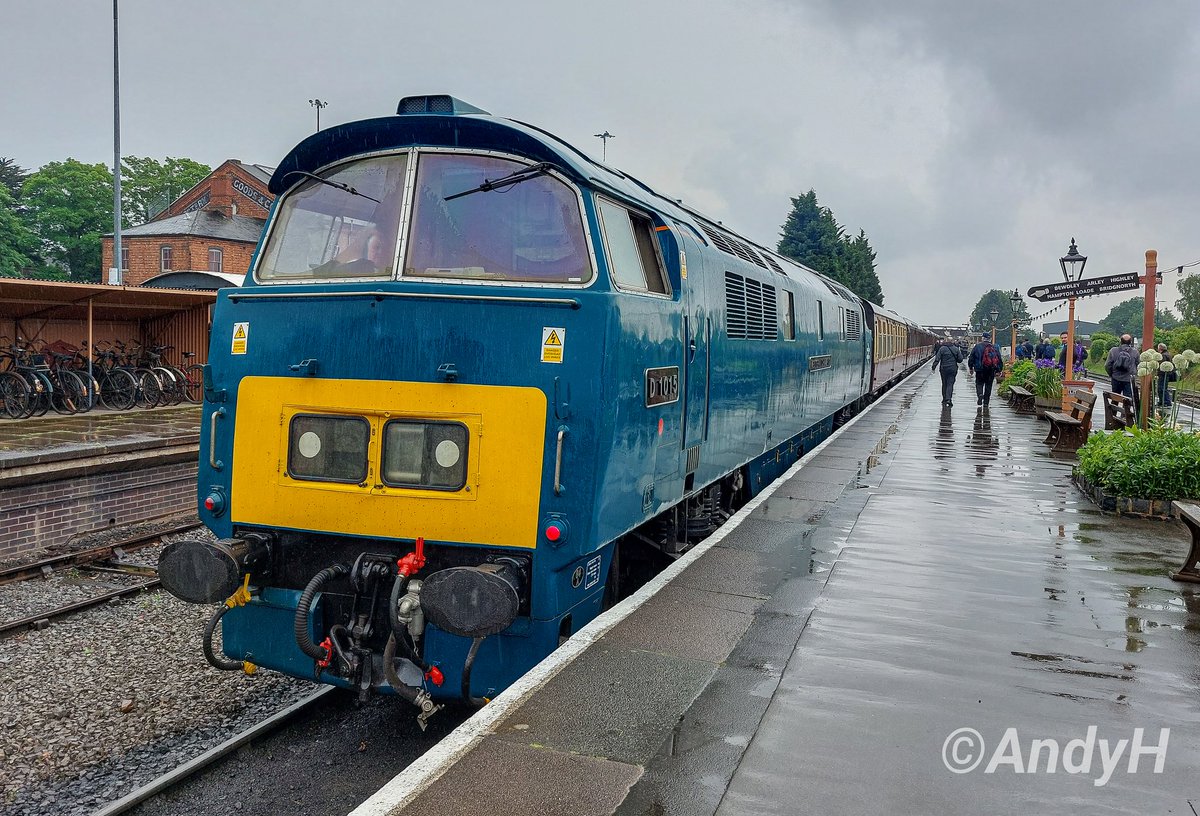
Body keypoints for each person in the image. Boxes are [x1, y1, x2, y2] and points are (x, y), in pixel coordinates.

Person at [1104, 334, 1140, 413]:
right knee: (1127, 400)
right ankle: (1125, 417)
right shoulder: (1135, 352)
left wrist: (1112, 374)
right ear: (1130, 342)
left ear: (1120, 341)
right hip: (1128, 379)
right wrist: (1134, 374)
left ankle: (1113, 417)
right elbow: (1138, 364)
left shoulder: (1113, 350)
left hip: (1116, 379)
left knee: (1115, 399)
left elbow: (1107, 365)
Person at [968, 332, 1003, 408]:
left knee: (979, 384)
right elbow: (999, 359)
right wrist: (999, 370)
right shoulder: (995, 347)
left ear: (982, 338)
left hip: (980, 369)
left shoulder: (977, 347)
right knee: (988, 386)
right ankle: (986, 403)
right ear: (990, 339)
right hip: (991, 370)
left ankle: (980, 395)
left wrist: (971, 367)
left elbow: (971, 358)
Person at [931, 339, 964, 407]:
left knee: (944, 384)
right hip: (953, 369)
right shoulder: (956, 349)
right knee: (950, 384)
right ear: (952, 342)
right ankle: (949, 399)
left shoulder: (942, 349)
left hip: (943, 369)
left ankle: (944, 399)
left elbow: (937, 358)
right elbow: (960, 360)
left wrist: (933, 367)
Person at [1156, 342, 1177, 410]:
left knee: (1161, 388)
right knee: (1164, 388)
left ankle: (1165, 402)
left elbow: (1162, 365)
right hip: (1167, 374)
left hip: (1163, 374)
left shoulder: (1163, 355)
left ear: (1160, 348)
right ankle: (1164, 402)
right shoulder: (1168, 354)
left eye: (1158, 348)